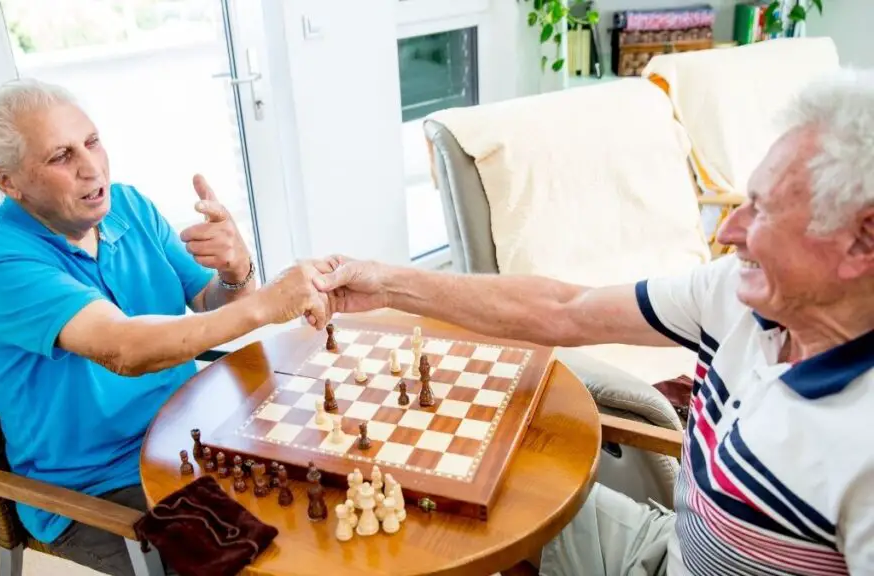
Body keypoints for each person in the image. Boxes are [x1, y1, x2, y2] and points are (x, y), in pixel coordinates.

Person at [315, 68, 874, 575]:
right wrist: (386, 284)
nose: (728, 231)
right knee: (456, 488)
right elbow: (563, 309)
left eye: (764, 210)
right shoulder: (734, 291)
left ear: (862, 240)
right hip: (665, 549)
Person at [0, 78, 331, 575]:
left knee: (330, 495)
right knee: (272, 566)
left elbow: (212, 302)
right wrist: (264, 305)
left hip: (193, 435)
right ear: (7, 181)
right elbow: (125, 350)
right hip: (104, 480)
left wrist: (235, 271)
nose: (92, 168)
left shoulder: (128, 206)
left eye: (91, 142)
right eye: (61, 156)